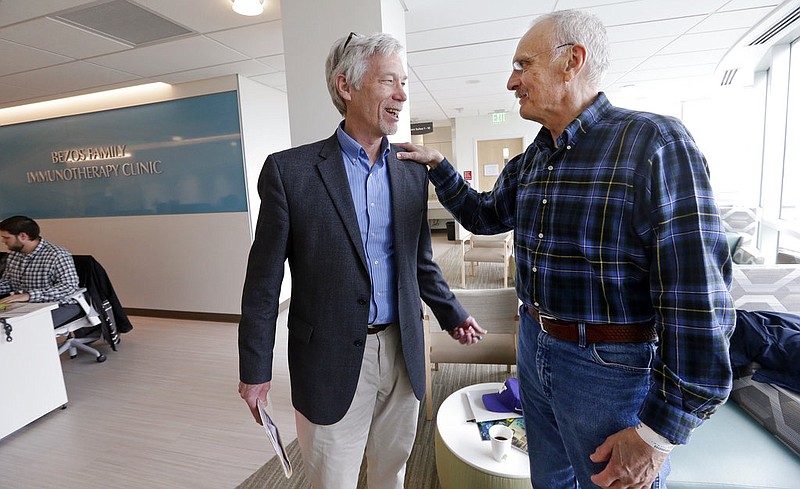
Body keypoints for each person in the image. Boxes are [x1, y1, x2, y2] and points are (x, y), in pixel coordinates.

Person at [397, 9, 735, 489]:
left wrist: (660, 434)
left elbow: (698, 301)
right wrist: (439, 165)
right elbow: (485, 215)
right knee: (550, 482)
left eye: (523, 65)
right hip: (534, 345)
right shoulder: (534, 157)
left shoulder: (654, 144)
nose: (511, 81)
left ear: (571, 62)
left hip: (608, 370)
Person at [237, 32, 485, 489]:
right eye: (389, 81)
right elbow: (263, 283)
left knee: (391, 471)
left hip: (403, 346)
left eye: (404, 82)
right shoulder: (289, 172)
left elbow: (419, 262)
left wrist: (453, 314)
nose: (402, 94)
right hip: (328, 356)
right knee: (333, 478)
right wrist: (254, 371)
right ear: (346, 87)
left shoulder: (412, 169)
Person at [0, 215, 82, 327]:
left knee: (24, 327)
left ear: (23, 236)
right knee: (7, 324)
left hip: (61, 305)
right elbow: (8, 283)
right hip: (25, 305)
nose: (3, 241)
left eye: (6, 238)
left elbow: (69, 287)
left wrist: (28, 295)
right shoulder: (14, 255)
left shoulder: (57, 254)